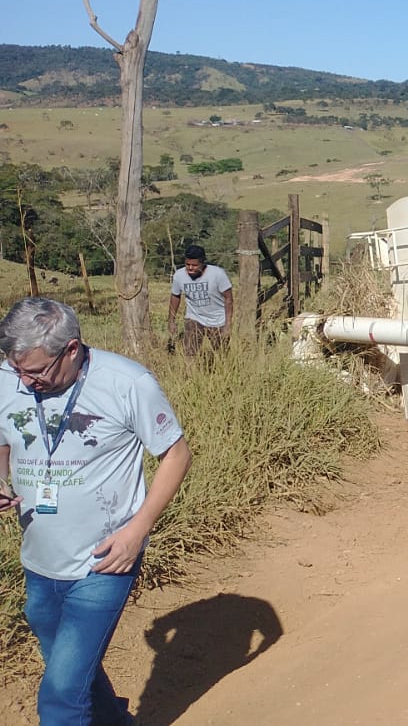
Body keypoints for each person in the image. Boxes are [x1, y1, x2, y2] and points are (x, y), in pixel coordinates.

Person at [0, 297, 192, 726]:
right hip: (39, 559)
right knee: (71, 672)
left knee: (61, 697)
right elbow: (3, 436)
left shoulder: (127, 382)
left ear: (71, 349)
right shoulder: (8, 379)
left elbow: (177, 455)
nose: (26, 382)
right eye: (17, 369)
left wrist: (137, 531)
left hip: (104, 560)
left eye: (37, 371)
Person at [168, 244, 233, 355]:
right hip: (194, 317)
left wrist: (228, 324)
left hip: (217, 319)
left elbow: (229, 299)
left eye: (194, 265)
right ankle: (189, 366)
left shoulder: (218, 274)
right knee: (189, 352)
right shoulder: (179, 276)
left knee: (222, 353)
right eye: (187, 264)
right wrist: (171, 321)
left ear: (203, 263)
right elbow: (175, 296)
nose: (190, 268)